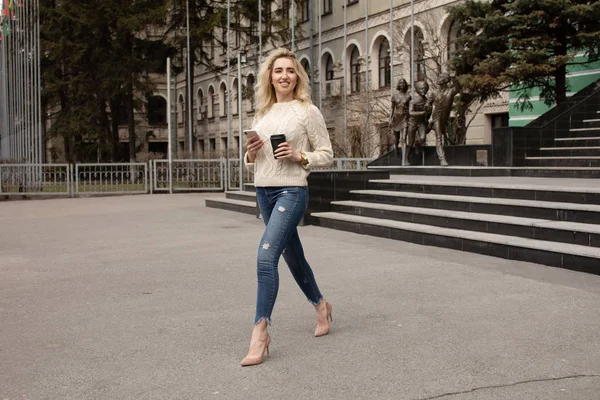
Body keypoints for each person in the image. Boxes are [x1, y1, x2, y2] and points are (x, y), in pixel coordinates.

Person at [241, 48, 334, 367]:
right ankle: (321, 305)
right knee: (292, 255)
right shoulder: (262, 114)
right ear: (270, 76)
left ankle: (259, 333)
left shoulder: (307, 111)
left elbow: (327, 153)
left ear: (298, 76)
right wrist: (250, 154)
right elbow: (252, 163)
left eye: (290, 71)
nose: (284, 75)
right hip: (263, 191)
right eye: (278, 70)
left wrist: (300, 156)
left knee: (266, 256)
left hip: (292, 190)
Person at [428, 72, 459, 166]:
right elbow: (428, 104)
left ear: (446, 80)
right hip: (436, 117)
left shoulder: (451, 91)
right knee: (438, 138)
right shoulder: (433, 92)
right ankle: (442, 159)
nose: (438, 78)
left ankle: (427, 129)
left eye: (441, 77)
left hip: (446, 118)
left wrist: (454, 78)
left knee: (451, 138)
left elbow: (458, 88)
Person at [405, 81, 431, 166]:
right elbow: (411, 113)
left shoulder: (427, 101)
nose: (424, 90)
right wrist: (423, 112)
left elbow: (429, 113)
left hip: (421, 123)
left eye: (425, 88)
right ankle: (406, 159)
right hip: (412, 123)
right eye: (422, 88)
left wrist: (429, 111)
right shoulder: (413, 101)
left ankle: (417, 144)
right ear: (417, 90)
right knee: (410, 142)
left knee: (423, 138)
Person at [390, 78, 411, 160]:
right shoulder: (394, 96)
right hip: (396, 118)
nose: (402, 84)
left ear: (405, 85)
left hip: (405, 117)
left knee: (404, 138)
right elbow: (392, 108)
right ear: (398, 85)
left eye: (403, 83)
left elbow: (410, 108)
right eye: (400, 83)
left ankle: (404, 159)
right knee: (396, 139)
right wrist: (390, 119)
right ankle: (396, 151)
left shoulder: (408, 96)